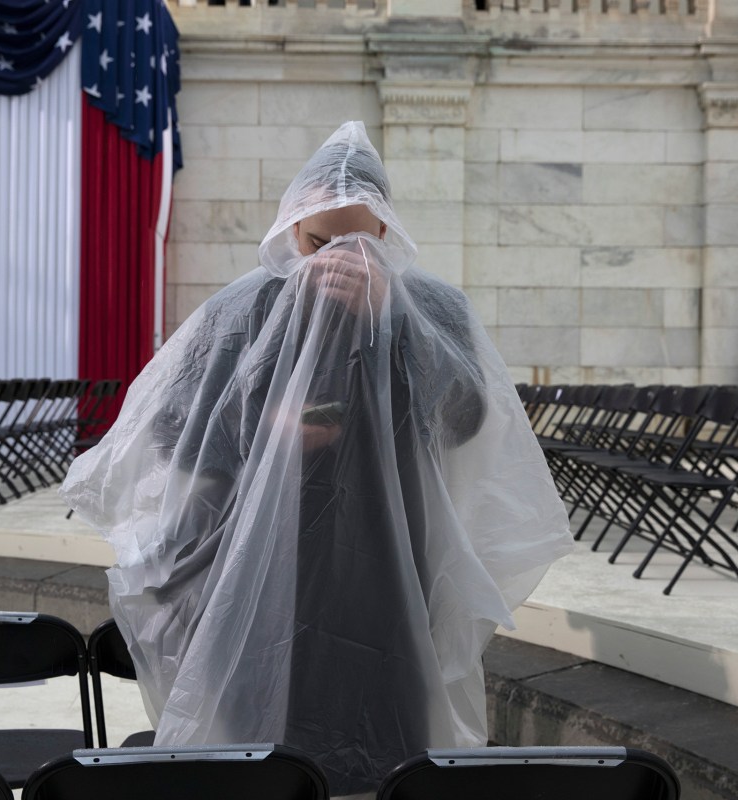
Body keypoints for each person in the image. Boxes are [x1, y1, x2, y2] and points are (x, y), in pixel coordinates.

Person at [61, 121, 573, 796]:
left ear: (385, 232)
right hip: (256, 556)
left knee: (383, 733)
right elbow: (175, 433)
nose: (334, 258)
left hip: (384, 565)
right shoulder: (243, 310)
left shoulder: (432, 307)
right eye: (318, 241)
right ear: (291, 228)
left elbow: (467, 418)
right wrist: (267, 427)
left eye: (354, 240)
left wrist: (396, 320)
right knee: (261, 736)